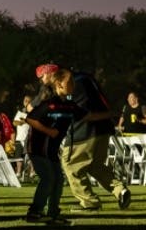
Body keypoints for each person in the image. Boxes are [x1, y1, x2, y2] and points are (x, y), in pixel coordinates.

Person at [54, 68, 131, 211]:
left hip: (83, 134)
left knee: (71, 165)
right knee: (96, 166)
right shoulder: (86, 79)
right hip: (102, 130)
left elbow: (85, 115)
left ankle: (89, 202)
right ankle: (120, 190)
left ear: (59, 81)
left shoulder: (74, 88)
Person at [24, 64, 76, 224]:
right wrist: (49, 129)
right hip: (40, 145)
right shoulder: (47, 93)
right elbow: (32, 111)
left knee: (57, 179)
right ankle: (35, 212)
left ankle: (52, 213)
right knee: (49, 178)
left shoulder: (63, 97)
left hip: (50, 146)